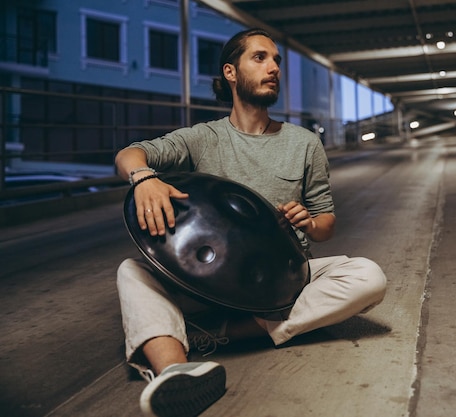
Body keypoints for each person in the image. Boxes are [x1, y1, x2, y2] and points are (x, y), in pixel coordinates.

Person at [115, 28, 387, 417]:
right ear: (231, 72)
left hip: (285, 277)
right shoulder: (203, 138)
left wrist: (309, 222)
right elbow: (131, 153)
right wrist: (144, 179)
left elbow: (327, 225)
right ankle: (176, 370)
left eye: (276, 60)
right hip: (207, 282)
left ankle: (212, 336)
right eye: (260, 58)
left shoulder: (305, 142)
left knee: (368, 277)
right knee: (132, 270)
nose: (273, 67)